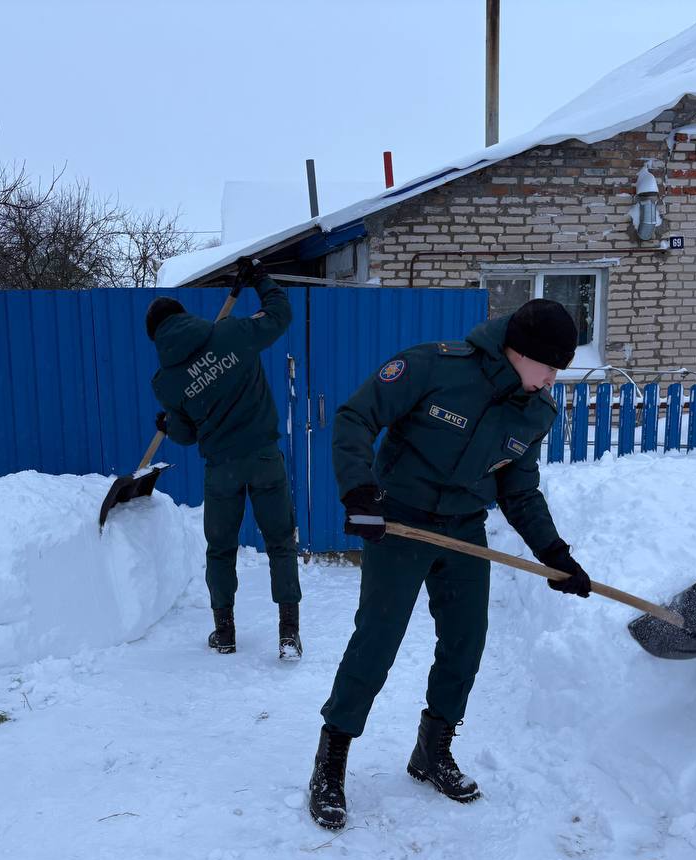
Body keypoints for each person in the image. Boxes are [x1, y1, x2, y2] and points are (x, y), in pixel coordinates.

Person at [307, 299, 592, 829]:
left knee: (465, 643)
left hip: (465, 531)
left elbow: (519, 490)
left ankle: (431, 750)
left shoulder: (536, 412)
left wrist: (555, 554)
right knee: (377, 641)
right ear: (520, 352)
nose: (552, 380)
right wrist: (360, 494)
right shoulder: (435, 366)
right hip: (399, 523)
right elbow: (355, 416)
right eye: (549, 367)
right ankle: (331, 762)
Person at [147, 256, 302, 660]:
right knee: (281, 543)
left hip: (222, 471)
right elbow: (281, 314)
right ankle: (288, 634)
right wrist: (262, 280)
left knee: (221, 549)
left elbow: (186, 434)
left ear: (157, 339)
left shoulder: (167, 382)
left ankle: (225, 632)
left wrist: (167, 422)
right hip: (265, 458)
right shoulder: (232, 334)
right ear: (184, 317)